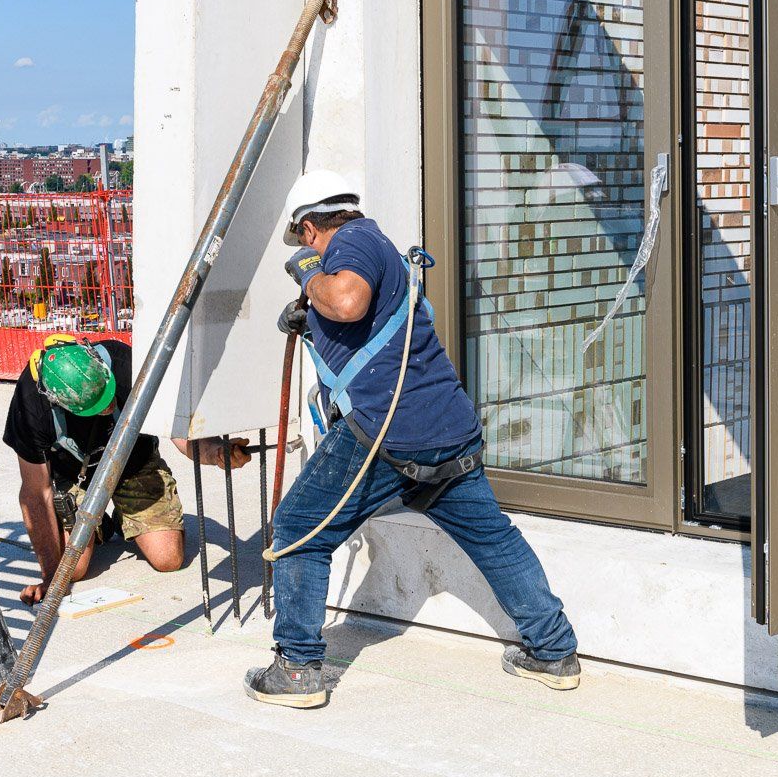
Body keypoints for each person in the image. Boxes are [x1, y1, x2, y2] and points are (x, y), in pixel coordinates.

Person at [246, 171, 580, 708]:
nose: (308, 253)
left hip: (383, 434)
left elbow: (349, 302)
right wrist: (310, 321)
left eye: (306, 244)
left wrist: (311, 278)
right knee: (493, 539)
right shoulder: (376, 244)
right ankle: (553, 651)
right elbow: (361, 325)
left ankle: (297, 669)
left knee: (300, 529)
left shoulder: (351, 243)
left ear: (310, 228)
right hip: (445, 429)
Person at [3, 334, 246, 605]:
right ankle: (98, 524)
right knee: (74, 571)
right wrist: (51, 577)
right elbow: (36, 493)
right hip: (74, 474)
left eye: (107, 395)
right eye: (96, 407)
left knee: (168, 559)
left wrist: (215, 453)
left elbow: (176, 431)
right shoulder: (30, 406)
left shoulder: (124, 363)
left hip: (133, 461)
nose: (109, 406)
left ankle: (124, 517)